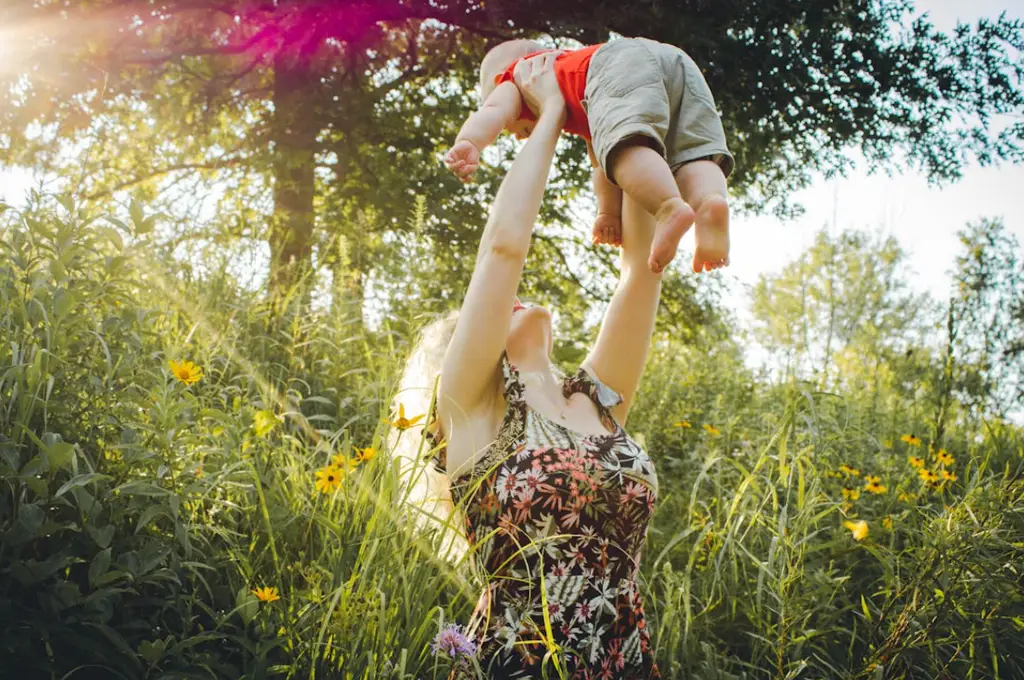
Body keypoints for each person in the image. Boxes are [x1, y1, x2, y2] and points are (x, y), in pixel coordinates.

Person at [394, 54, 662, 678]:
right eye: (480, 319)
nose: (508, 299)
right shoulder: (474, 409)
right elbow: (503, 248)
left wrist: (619, 124)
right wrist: (548, 119)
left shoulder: (596, 401)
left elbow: (642, 273)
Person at [444, 36, 734, 275]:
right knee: (692, 152)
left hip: (617, 62)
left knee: (626, 151)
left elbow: (493, 111)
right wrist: (608, 213)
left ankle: (669, 207)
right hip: (674, 60)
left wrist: (470, 141)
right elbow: (602, 164)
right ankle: (709, 203)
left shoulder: (519, 76)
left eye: (512, 129)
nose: (518, 134)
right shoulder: (585, 95)